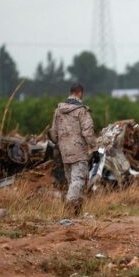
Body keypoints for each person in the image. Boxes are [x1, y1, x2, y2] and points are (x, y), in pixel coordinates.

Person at [50, 83, 96, 215]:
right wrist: (94, 147)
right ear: (80, 93)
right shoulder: (82, 111)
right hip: (78, 151)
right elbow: (88, 132)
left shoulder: (58, 111)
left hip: (64, 152)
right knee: (78, 181)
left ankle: (76, 213)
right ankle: (68, 207)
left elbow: (53, 133)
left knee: (72, 181)